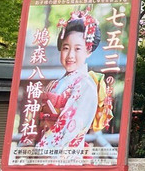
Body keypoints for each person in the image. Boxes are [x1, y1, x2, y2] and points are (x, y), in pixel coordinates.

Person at [34, 11, 112, 149]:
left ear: (88, 51)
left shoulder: (85, 85)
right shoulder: (57, 83)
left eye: (77, 49)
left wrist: (41, 149)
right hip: (46, 148)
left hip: (63, 152)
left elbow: (70, 126)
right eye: (66, 48)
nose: (70, 55)